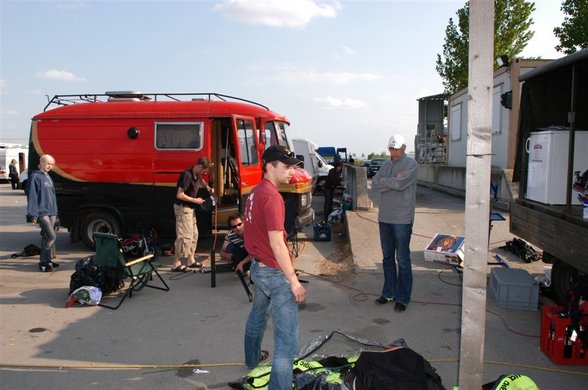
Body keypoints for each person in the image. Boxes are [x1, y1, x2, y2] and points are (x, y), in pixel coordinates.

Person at [243, 145, 307, 389]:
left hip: (259, 270)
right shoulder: (272, 197)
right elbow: (277, 243)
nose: (292, 171)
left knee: (258, 315)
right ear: (270, 166)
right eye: (287, 166)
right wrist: (294, 282)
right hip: (273, 273)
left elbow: (254, 232)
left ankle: (251, 359)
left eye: (293, 166)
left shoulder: (255, 193)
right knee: (286, 343)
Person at [371, 134, 418, 313]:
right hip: (385, 218)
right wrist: (389, 182)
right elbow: (375, 184)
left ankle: (403, 298)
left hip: (402, 219)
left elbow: (399, 184)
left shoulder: (410, 165)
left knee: (403, 259)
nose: (394, 152)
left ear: (404, 148)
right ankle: (388, 293)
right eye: (391, 149)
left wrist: (386, 182)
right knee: (387, 258)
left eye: (397, 149)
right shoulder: (385, 164)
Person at [172, 157, 213, 272]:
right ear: (199, 167)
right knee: (184, 236)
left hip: (190, 209)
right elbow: (179, 195)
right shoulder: (187, 175)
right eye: (204, 171)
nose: (204, 174)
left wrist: (208, 187)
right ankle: (176, 263)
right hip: (182, 209)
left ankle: (191, 260)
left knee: (194, 234)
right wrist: (195, 200)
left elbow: (201, 181)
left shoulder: (197, 175)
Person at [26, 154, 60, 272]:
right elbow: (32, 196)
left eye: (51, 164)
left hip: (52, 212)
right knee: (51, 236)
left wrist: (56, 213)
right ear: (41, 163)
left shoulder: (48, 177)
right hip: (42, 212)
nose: (49, 166)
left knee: (46, 236)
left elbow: (53, 196)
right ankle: (43, 261)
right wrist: (33, 213)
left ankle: (48, 260)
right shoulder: (35, 177)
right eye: (47, 163)